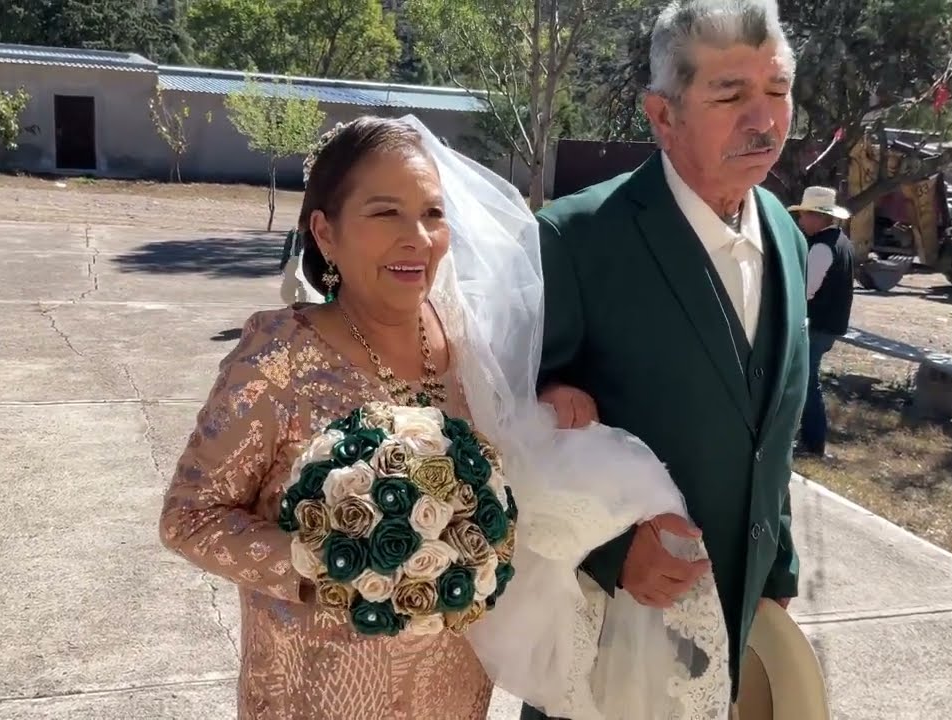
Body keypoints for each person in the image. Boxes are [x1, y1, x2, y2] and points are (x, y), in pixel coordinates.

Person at [524, 0, 809, 717]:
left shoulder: (787, 233)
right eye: (730, 94)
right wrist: (614, 550)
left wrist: (777, 569)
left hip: (734, 629)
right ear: (662, 115)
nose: (764, 119)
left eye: (777, 91)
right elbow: (505, 439)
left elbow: (767, 429)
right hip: (611, 642)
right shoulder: (577, 240)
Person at [158, 117, 496, 719]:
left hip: (452, 686)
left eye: (433, 214)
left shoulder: (472, 347)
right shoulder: (278, 357)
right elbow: (190, 518)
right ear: (326, 232)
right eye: (385, 213)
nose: (417, 237)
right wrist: (331, 566)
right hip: (317, 692)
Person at [788, 185, 855, 457]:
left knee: (806, 381)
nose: (801, 221)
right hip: (828, 325)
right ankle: (809, 438)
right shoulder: (841, 241)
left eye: (804, 215)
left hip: (818, 325)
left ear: (817, 217)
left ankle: (813, 442)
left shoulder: (821, 248)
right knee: (807, 379)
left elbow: (806, 291)